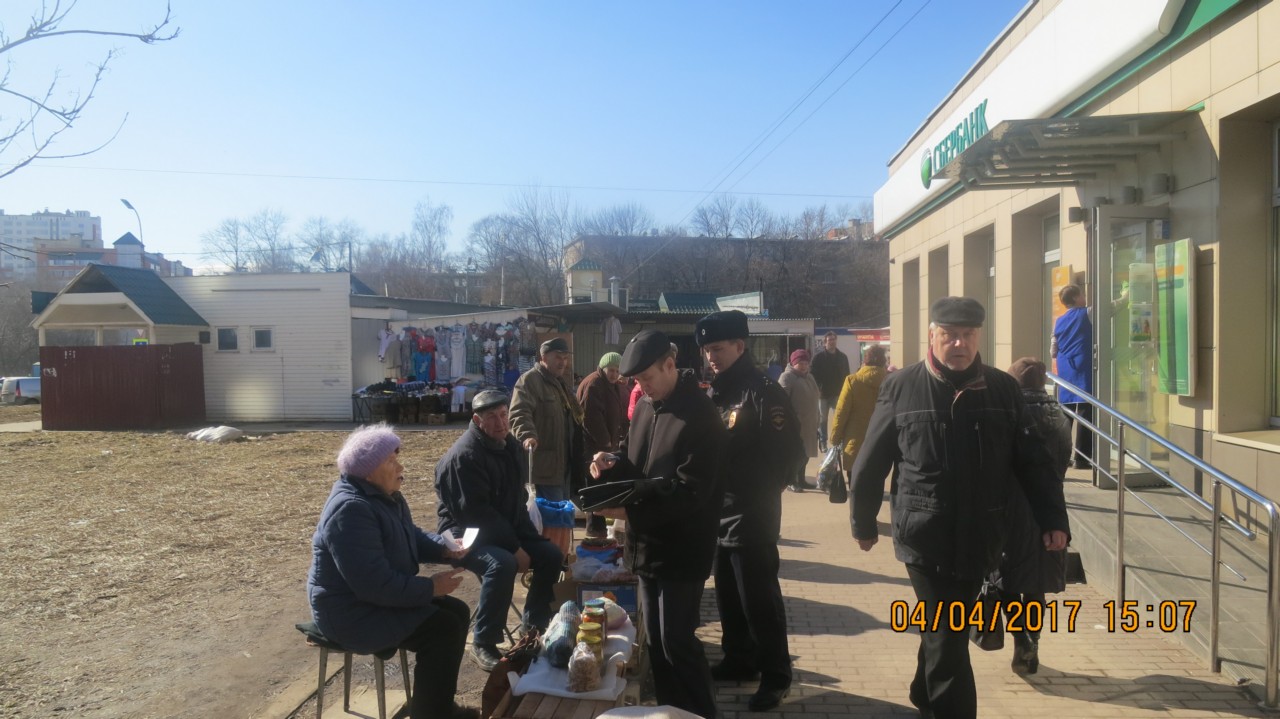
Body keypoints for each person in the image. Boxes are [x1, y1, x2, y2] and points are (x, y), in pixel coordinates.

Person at [850, 297, 1070, 719]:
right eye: (949, 334)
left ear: (978, 337)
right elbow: (870, 461)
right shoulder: (901, 387)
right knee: (949, 634)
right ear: (932, 335)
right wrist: (863, 523)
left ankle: (922, 690)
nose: (958, 343)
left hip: (983, 535)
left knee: (943, 630)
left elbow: (1033, 462)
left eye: (967, 335)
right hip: (923, 535)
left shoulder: (1003, 390)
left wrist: (1053, 520)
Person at [588, 330, 726, 719]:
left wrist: (630, 514)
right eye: (636, 381)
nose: (641, 387)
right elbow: (639, 468)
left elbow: (691, 493)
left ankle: (700, 713)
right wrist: (612, 462)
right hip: (646, 546)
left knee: (677, 640)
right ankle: (670, 712)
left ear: (670, 364)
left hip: (683, 547)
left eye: (646, 377)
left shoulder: (701, 416)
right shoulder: (647, 406)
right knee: (656, 645)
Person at [307, 424, 478, 719]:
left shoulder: (384, 496)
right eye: (391, 461)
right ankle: (431, 714)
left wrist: (444, 547)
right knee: (443, 628)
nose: (400, 466)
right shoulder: (350, 510)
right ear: (369, 471)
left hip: (372, 600)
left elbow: (408, 534)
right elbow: (374, 585)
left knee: (457, 612)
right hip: (350, 612)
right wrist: (430, 588)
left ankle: (437, 707)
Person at [697, 309, 804, 712]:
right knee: (727, 595)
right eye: (707, 349)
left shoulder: (762, 392)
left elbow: (789, 454)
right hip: (721, 513)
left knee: (759, 600)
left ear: (740, 346)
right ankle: (739, 660)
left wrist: (762, 492)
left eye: (718, 348)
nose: (711, 356)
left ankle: (776, 676)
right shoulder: (718, 392)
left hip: (753, 514)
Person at [434, 390, 564, 671]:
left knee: (551, 554)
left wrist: (530, 540)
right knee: (502, 563)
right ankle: (484, 642)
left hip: (503, 524)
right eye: (491, 417)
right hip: (463, 534)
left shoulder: (509, 447)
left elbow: (515, 504)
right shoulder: (463, 458)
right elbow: (476, 516)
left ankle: (534, 625)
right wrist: (516, 548)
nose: (500, 423)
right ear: (477, 420)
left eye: (503, 415)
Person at [994, 357, 1071, 676]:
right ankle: (1033, 640)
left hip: (1009, 505)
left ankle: (1020, 637)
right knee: (1036, 582)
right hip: (1046, 508)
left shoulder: (1007, 412)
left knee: (1006, 575)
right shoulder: (1059, 414)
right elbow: (1064, 458)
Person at [510, 337, 584, 501]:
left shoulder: (560, 383)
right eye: (558, 357)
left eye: (565, 358)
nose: (562, 362)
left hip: (565, 463)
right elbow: (519, 412)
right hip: (546, 466)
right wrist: (527, 434)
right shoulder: (530, 381)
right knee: (553, 516)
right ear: (543, 358)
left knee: (562, 514)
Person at [578, 352, 629, 535]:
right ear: (602, 368)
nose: (614, 374)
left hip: (606, 446)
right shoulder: (594, 384)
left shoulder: (611, 384)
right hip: (594, 447)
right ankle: (594, 531)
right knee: (595, 487)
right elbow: (592, 418)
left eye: (617, 371)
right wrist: (606, 443)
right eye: (611, 370)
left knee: (602, 487)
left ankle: (599, 530)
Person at [829, 344, 889, 489]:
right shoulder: (890, 381)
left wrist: (834, 437)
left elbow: (841, 412)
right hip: (882, 442)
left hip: (855, 442)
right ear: (883, 362)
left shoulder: (852, 381)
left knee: (855, 485)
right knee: (876, 484)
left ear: (865, 360)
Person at [1051, 284, 1093, 469]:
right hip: (1083, 367)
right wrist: (1126, 297)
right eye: (1082, 294)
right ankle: (1082, 459)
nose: (1085, 297)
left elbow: (1053, 350)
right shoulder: (1087, 313)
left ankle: (1061, 455)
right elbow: (1111, 308)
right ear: (1076, 298)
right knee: (1085, 411)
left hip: (1065, 369)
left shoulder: (1058, 321)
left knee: (1066, 413)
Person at [777, 349, 820, 493]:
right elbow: (781, 401)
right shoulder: (787, 377)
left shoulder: (810, 377)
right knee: (797, 455)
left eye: (806, 363)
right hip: (795, 424)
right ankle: (791, 481)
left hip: (810, 422)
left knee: (806, 454)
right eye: (800, 363)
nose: (803, 365)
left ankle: (801, 479)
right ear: (793, 363)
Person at [810, 331, 851, 452]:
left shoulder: (843, 357)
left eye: (834, 339)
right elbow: (812, 375)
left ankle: (839, 443)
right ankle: (823, 443)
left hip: (838, 393)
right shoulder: (818, 358)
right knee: (822, 420)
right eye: (830, 340)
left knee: (839, 418)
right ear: (825, 342)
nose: (832, 342)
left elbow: (847, 375)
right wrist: (817, 388)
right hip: (822, 395)